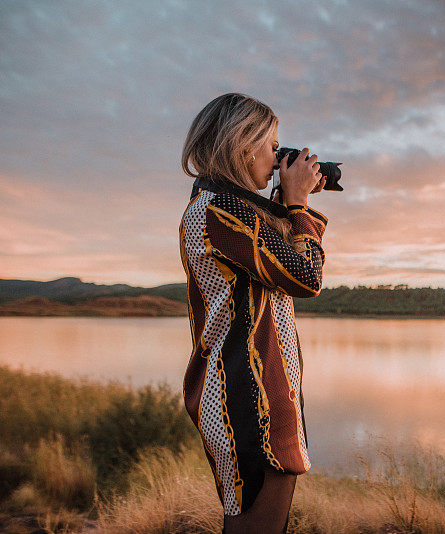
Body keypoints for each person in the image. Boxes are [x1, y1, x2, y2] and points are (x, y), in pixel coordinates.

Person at [178, 93, 328, 533]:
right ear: (243, 144)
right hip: (246, 393)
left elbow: (275, 263)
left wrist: (288, 204)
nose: (277, 156)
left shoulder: (229, 209)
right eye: (272, 144)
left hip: (258, 387)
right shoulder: (219, 212)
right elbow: (305, 277)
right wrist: (297, 207)